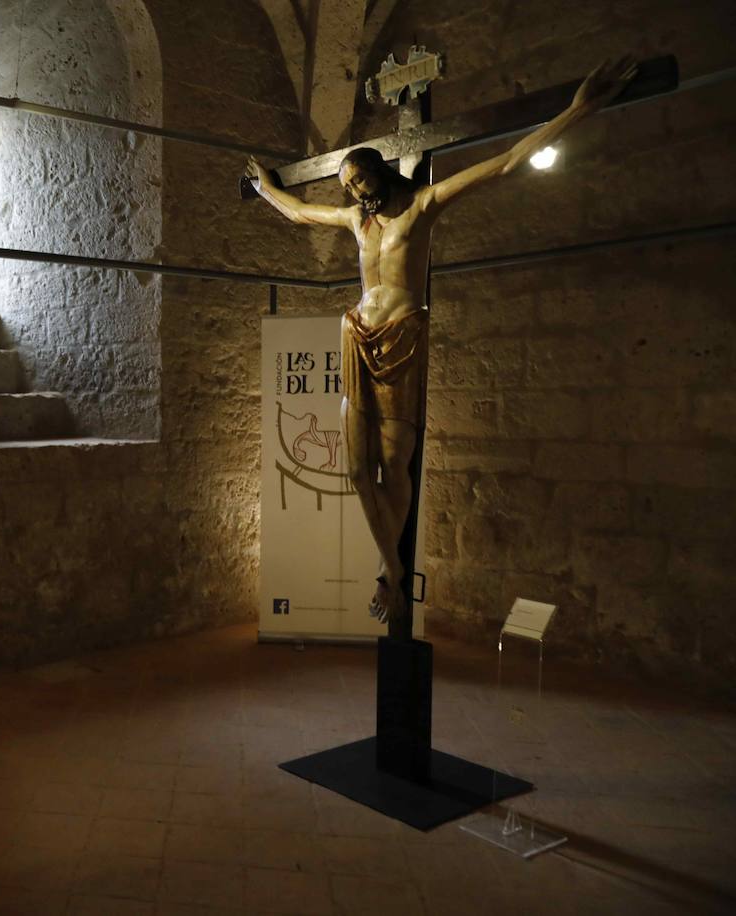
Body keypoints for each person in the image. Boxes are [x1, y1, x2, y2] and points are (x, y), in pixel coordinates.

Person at [245, 57, 637, 625]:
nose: (355, 192)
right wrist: (263, 189)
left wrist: (577, 110)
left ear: (380, 171)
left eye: (359, 180)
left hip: (403, 337)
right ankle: (392, 568)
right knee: (356, 471)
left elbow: (503, 164)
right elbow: (303, 214)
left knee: (391, 461)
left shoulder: (423, 208)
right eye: (348, 187)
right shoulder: (357, 222)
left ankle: (389, 573)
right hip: (357, 334)